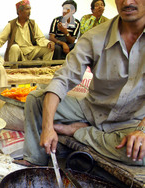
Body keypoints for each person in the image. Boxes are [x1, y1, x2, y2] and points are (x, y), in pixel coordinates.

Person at [22, 0, 144, 167]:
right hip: (94, 109)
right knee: (36, 100)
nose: (128, 2)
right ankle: (34, 162)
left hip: (134, 121)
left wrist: (142, 131)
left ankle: (80, 131)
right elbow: (63, 79)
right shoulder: (96, 36)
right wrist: (48, 126)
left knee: (139, 153)